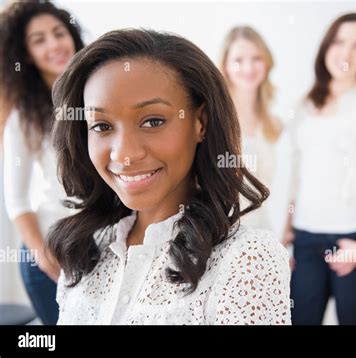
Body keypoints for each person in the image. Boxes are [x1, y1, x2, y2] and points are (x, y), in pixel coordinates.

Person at [46, 28, 291, 325]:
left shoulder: (247, 260)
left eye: (152, 121)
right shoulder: (85, 250)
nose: (125, 153)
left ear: (200, 122)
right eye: (101, 126)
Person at [282, 13, 356, 325]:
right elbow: (296, 176)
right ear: (326, 46)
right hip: (305, 239)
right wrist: (286, 231)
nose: (346, 53)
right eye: (340, 42)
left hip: (353, 235)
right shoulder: (305, 104)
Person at [0, 0, 84, 325]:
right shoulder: (23, 117)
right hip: (50, 253)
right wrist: (44, 256)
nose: (53, 45)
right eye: (39, 40)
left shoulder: (102, 94)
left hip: (104, 245)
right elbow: (18, 201)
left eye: (58, 33)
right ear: (26, 55)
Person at [220, 26, 282, 230]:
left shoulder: (274, 125)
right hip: (223, 229)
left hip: (262, 229)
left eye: (257, 58)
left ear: (267, 63)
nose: (248, 68)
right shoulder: (213, 118)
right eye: (238, 60)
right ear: (226, 66)